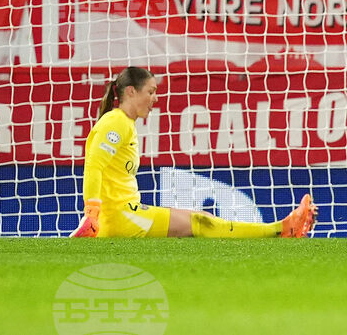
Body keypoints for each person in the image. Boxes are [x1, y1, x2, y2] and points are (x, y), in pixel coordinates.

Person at [71, 67, 316, 238]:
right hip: (120, 217)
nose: (155, 98)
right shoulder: (116, 122)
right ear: (131, 92)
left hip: (127, 213)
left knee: (199, 218)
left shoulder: (125, 123)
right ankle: (280, 229)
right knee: (201, 223)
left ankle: (281, 229)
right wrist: (91, 214)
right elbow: (94, 166)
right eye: (151, 91)